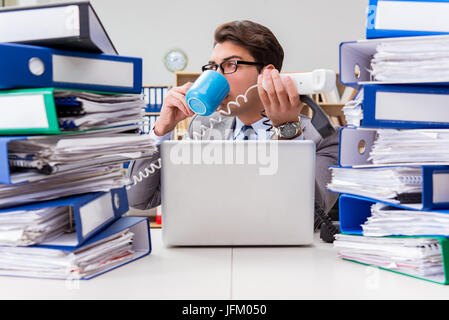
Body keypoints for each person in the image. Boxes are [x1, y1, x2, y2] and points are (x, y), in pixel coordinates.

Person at [127, 20, 339, 215]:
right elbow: (138, 199)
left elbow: (312, 218)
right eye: (212, 67)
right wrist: (161, 130)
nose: (216, 76)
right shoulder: (203, 128)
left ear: (266, 74)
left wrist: (287, 133)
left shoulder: (322, 137)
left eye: (230, 65)